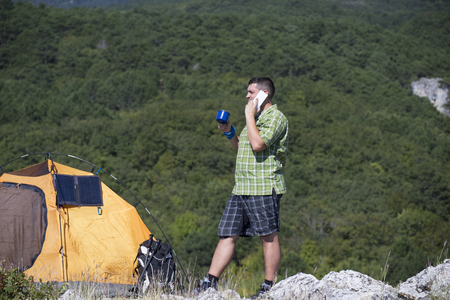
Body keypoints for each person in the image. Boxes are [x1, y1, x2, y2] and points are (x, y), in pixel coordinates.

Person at [199, 77, 289, 299]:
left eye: (251, 92)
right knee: (227, 234)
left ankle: (268, 287)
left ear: (264, 93)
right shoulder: (255, 119)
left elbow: (258, 145)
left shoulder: (276, 117)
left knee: (268, 236)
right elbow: (243, 148)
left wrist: (249, 115)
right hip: (242, 187)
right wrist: (229, 131)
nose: (247, 96)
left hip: (263, 186)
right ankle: (209, 283)